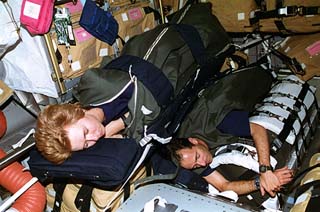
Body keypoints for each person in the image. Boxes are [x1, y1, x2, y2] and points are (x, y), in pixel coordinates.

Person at [167, 120, 294, 197]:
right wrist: (261, 182)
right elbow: (224, 186)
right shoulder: (192, 162)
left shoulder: (214, 124)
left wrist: (265, 170)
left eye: (198, 156)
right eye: (195, 166)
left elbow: (257, 129)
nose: (202, 163)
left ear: (194, 141)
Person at [34, 103, 128, 164]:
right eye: (86, 144)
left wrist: (120, 123)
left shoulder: (107, 91)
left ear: (78, 111)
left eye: (86, 132)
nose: (94, 138)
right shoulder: (101, 135)